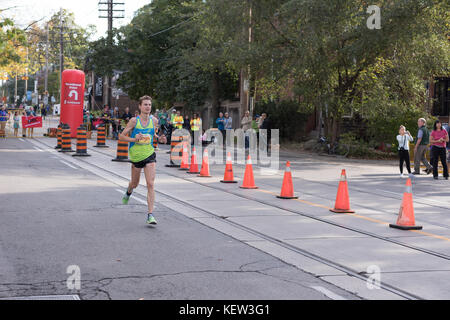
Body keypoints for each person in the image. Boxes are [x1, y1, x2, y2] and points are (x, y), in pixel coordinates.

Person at [119, 96, 159, 225]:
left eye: (149, 105)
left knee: (150, 184)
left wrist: (160, 138)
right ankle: (129, 191)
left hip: (149, 154)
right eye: (145, 104)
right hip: (136, 156)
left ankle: (150, 215)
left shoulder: (154, 121)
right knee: (135, 183)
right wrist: (134, 139)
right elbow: (121, 136)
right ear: (140, 106)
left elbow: (153, 134)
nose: (148, 107)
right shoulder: (133, 121)